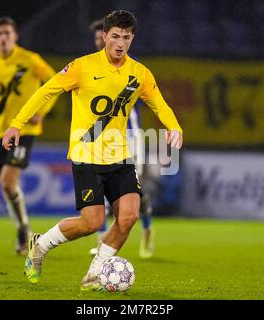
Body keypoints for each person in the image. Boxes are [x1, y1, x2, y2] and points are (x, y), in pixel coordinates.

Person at [2, 10, 183, 290]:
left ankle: (95, 273)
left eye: (126, 37)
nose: (120, 43)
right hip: (87, 156)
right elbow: (46, 91)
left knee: (129, 216)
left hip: (120, 156)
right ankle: (40, 245)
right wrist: (16, 124)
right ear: (104, 37)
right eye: (115, 37)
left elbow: (159, 103)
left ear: (132, 38)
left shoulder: (139, 73)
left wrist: (174, 127)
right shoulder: (82, 67)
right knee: (92, 222)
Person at [0, 17, 59, 254]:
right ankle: (24, 227)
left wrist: (43, 111)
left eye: (7, 33)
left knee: (7, 180)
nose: (3, 37)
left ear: (15, 36)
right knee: (7, 185)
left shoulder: (29, 60)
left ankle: (21, 230)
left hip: (24, 129)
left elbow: (56, 82)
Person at [89, 18, 155, 259]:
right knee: (101, 191)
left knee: (134, 194)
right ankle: (102, 244)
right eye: (98, 39)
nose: (101, 43)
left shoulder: (129, 69)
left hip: (130, 139)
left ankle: (147, 230)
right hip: (101, 139)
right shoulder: (91, 69)